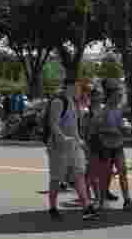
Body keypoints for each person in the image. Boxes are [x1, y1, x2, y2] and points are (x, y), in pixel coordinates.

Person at [46, 79, 97, 221]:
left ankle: (87, 207)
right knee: (56, 178)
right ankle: (52, 207)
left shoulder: (74, 102)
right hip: (59, 147)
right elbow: (53, 124)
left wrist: (80, 140)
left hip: (74, 146)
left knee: (79, 174)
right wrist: (62, 137)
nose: (80, 90)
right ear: (69, 87)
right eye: (77, 87)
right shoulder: (59, 101)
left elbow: (73, 126)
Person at [96, 79, 132, 211]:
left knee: (123, 172)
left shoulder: (119, 109)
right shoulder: (104, 110)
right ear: (111, 95)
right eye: (118, 94)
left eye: (120, 94)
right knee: (106, 175)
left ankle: (127, 200)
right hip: (106, 147)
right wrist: (113, 130)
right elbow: (99, 128)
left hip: (118, 145)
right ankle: (101, 202)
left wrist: (126, 128)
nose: (120, 97)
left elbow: (120, 125)